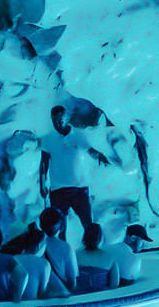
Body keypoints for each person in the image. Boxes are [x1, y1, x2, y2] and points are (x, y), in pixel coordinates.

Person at [38, 105, 109, 238]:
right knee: (59, 230)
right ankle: (62, 255)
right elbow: (43, 164)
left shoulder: (79, 135)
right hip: (58, 190)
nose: (58, 124)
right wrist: (42, 185)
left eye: (60, 120)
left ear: (66, 119)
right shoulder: (48, 139)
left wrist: (101, 156)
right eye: (54, 121)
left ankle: (90, 252)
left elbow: (90, 151)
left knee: (88, 225)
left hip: (79, 189)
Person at [11, 227, 69, 299]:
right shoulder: (44, 264)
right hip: (31, 305)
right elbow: (41, 293)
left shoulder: (13, 258)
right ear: (39, 247)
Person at [39, 207, 78, 293]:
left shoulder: (36, 246)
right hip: (60, 295)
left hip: (42, 295)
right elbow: (72, 282)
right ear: (61, 226)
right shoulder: (66, 248)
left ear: (41, 226)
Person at [75, 223, 119, 293]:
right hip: (101, 298)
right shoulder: (110, 258)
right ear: (100, 238)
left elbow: (70, 282)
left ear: (84, 237)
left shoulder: (75, 256)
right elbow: (114, 285)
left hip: (81, 298)